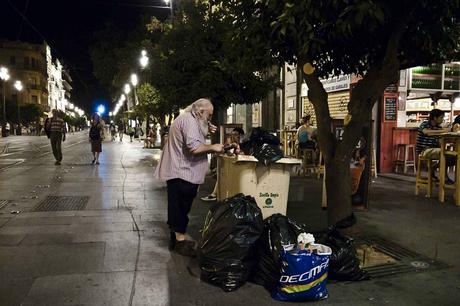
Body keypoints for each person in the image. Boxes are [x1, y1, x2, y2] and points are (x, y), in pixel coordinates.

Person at [155, 98, 224, 257]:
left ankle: (177, 237)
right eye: (209, 115)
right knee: (180, 207)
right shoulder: (190, 122)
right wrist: (214, 147)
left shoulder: (188, 119)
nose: (209, 118)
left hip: (181, 171)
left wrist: (206, 129)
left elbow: (193, 138)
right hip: (183, 173)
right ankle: (179, 241)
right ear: (201, 112)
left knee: (177, 206)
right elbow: (194, 147)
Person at [201, 127, 245, 202]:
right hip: (232, 166)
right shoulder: (231, 142)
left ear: (240, 135)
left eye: (236, 134)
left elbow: (241, 154)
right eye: (232, 134)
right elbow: (223, 150)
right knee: (221, 175)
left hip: (241, 168)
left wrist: (236, 149)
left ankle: (215, 195)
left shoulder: (243, 144)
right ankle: (215, 194)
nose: (233, 136)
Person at [416, 108, 454, 183]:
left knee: (452, 156)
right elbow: (426, 132)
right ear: (435, 118)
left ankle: (434, 169)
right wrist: (445, 131)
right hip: (424, 150)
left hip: (435, 149)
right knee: (445, 154)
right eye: (441, 117)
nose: (442, 120)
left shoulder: (439, 127)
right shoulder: (425, 124)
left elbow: (440, 142)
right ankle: (443, 177)